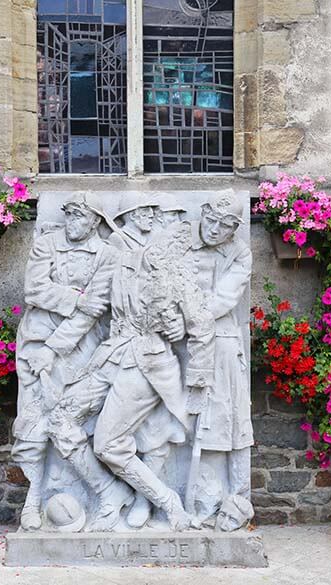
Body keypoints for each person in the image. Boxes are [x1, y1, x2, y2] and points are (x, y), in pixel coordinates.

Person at [50, 222, 215, 531]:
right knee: (59, 420)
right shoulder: (118, 264)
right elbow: (90, 310)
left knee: (108, 445)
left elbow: (202, 326)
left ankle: (167, 502)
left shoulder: (176, 275)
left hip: (148, 363)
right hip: (111, 354)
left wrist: (198, 380)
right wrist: (52, 348)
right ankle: (109, 491)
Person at [12, 192, 130, 531]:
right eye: (69, 215)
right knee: (32, 423)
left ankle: (100, 493)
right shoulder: (47, 245)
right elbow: (34, 290)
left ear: (95, 220)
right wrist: (77, 298)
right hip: (35, 342)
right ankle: (33, 499)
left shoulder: (108, 255)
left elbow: (94, 314)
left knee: (69, 423)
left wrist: (55, 345)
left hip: (81, 348)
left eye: (80, 217)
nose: (72, 223)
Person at [185, 191, 254, 520]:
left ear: (234, 229)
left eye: (224, 226)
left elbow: (224, 299)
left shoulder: (240, 254)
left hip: (219, 337)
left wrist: (185, 319)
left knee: (224, 416)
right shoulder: (181, 238)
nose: (213, 230)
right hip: (173, 335)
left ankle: (225, 499)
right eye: (210, 220)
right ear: (202, 213)